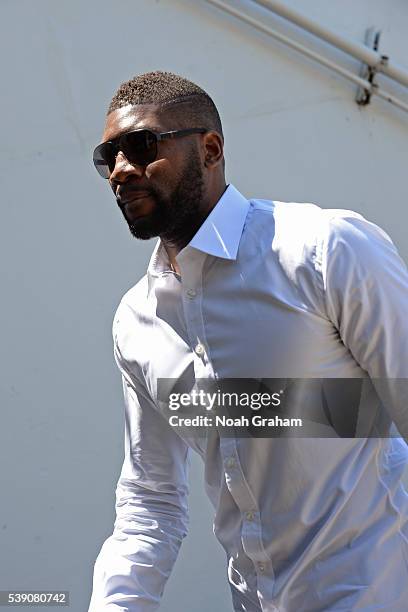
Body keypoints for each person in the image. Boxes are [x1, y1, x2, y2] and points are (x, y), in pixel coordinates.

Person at [88, 71, 408, 611]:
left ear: (210, 149)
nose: (121, 170)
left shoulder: (325, 250)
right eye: (107, 156)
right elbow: (150, 501)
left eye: (141, 146)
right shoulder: (136, 321)